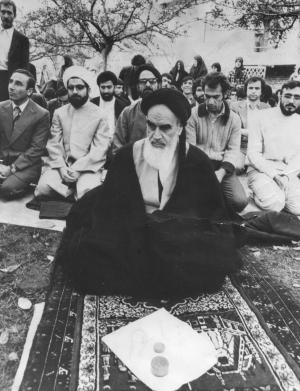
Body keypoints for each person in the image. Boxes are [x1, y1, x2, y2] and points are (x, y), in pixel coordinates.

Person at [58, 88, 240, 298]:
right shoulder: (127, 155)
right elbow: (110, 208)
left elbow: (210, 214)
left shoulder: (197, 161)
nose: (156, 136)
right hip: (133, 229)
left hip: (176, 232)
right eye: (151, 126)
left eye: (165, 128)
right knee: (92, 253)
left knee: (200, 259)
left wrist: (167, 227)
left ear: (180, 128)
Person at [35, 66, 110, 200]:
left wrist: (77, 169)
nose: (75, 91)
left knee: (88, 194)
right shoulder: (60, 113)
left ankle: (72, 192)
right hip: (61, 166)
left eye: (80, 87)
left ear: (88, 89)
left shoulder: (100, 115)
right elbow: (53, 144)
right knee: (42, 189)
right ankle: (70, 193)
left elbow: (99, 149)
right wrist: (62, 169)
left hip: (87, 168)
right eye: (71, 88)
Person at [186, 72, 248, 214]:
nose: (211, 102)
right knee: (194, 201)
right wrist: (204, 173)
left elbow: (233, 151)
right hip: (198, 166)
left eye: (216, 97)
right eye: (207, 96)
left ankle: (217, 193)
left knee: (240, 202)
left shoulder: (234, 119)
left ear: (225, 94)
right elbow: (190, 148)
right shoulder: (193, 115)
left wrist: (220, 173)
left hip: (222, 167)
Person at [247, 80, 300, 215]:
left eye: (297, 98)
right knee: (275, 204)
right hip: (261, 171)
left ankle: (280, 195)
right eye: (288, 96)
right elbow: (253, 153)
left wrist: (287, 175)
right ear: (280, 95)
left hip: (286, 173)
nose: (292, 101)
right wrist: (274, 175)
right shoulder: (260, 117)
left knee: (298, 208)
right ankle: (257, 195)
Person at [0, 69, 49, 199]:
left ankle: (24, 184)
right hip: (2, 161)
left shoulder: (41, 114)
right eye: (11, 82)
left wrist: (11, 168)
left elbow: (36, 149)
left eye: (18, 84)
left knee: (6, 189)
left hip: (26, 164)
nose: (11, 87)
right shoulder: (1, 107)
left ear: (29, 91)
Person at [113, 64, 161, 153]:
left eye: (152, 81)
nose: (147, 85)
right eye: (143, 81)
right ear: (138, 85)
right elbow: (118, 148)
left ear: (158, 84)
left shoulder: (169, 110)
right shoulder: (128, 113)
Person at [231, 76, 269, 171]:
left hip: (259, 148)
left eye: (257, 88)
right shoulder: (235, 106)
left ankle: (250, 163)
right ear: (246, 90)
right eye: (250, 88)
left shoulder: (267, 108)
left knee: (263, 169)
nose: (253, 91)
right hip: (241, 146)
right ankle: (248, 163)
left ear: (261, 91)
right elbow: (233, 129)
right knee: (237, 167)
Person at [0, 0, 29, 102]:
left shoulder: (22, 40)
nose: (6, 16)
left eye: (9, 13)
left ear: (14, 15)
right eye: (3, 12)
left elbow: (25, 67)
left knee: (6, 112)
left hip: (10, 81)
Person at [91, 71, 129, 139]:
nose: (106, 91)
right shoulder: (92, 104)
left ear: (114, 87)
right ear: (99, 87)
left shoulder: (123, 105)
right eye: (103, 87)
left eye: (109, 87)